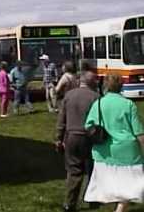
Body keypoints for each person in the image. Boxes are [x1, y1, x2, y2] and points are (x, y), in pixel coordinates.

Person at [84, 74, 144, 212]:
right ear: (121, 86)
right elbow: (139, 132)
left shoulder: (98, 103)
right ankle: (120, 208)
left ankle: (118, 208)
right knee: (132, 184)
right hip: (127, 151)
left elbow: (88, 125)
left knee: (112, 184)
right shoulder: (128, 104)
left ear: (105, 86)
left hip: (104, 151)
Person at [55, 71, 99, 212]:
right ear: (91, 82)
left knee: (74, 171)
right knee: (92, 170)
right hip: (90, 137)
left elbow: (62, 120)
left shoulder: (69, 95)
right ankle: (92, 199)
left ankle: (70, 203)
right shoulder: (96, 97)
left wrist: (58, 138)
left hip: (71, 136)